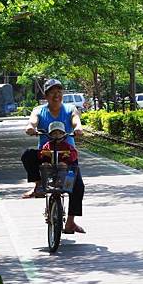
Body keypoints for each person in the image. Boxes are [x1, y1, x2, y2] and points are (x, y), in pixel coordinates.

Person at [21, 78, 86, 234]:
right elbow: (33, 121)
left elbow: (76, 120)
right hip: (46, 155)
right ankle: (38, 185)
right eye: (52, 93)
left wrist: (78, 128)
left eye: (59, 92)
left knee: (78, 186)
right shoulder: (39, 110)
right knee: (27, 155)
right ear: (46, 95)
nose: (56, 95)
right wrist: (30, 127)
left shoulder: (70, 109)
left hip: (66, 156)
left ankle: (70, 223)